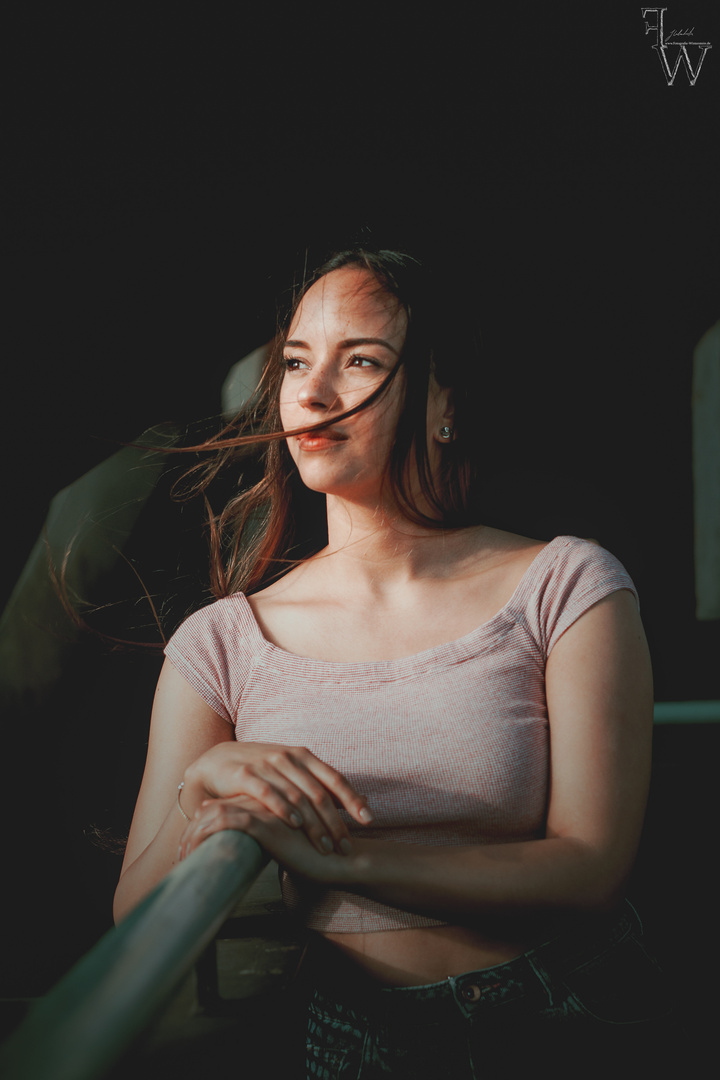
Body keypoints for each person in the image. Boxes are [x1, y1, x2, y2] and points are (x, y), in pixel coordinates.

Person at [113, 248, 677, 1077]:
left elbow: (590, 866)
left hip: (570, 1013)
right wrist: (199, 796)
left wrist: (337, 860)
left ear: (444, 400)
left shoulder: (567, 584)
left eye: (363, 361)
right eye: (297, 362)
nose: (312, 392)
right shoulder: (222, 642)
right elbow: (137, 916)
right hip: (357, 1040)